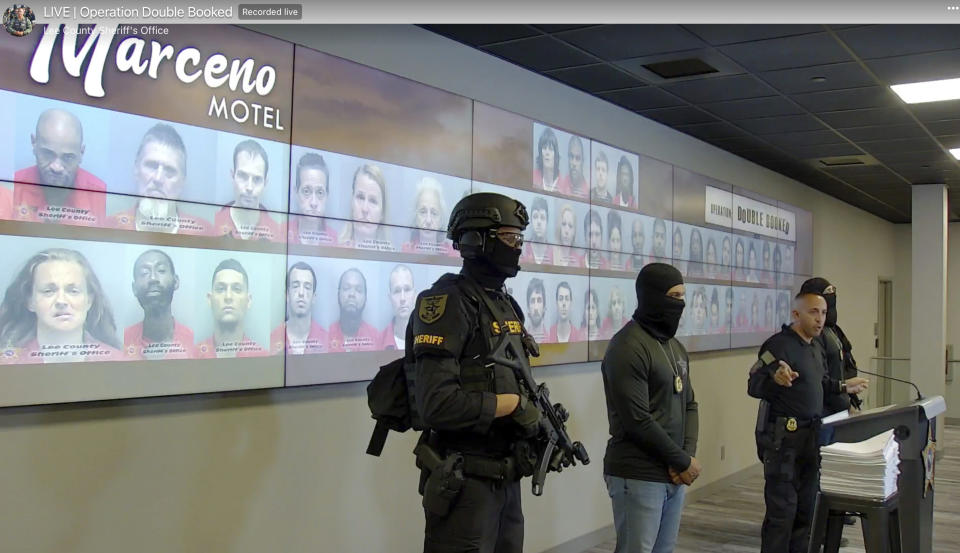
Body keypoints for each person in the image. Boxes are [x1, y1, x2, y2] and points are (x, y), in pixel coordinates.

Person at [409, 191, 537, 553]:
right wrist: (510, 405)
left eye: (520, 240)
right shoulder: (446, 303)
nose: (517, 248)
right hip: (464, 485)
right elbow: (437, 404)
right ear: (475, 240)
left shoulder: (504, 304)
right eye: (510, 239)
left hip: (506, 481)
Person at [748, 291, 868, 553]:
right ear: (796, 314)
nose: (820, 319)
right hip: (784, 443)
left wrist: (844, 386)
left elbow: (820, 383)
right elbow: (754, 384)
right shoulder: (777, 345)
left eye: (823, 313)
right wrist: (775, 380)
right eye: (813, 312)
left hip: (810, 439)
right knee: (782, 514)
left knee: (806, 512)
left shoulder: (817, 345)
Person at [601, 263, 699, 553]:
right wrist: (681, 461)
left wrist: (686, 457)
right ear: (652, 296)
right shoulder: (627, 346)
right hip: (638, 472)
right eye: (673, 296)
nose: (679, 304)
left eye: (682, 296)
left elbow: (690, 404)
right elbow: (637, 420)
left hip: (673, 473)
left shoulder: (674, 347)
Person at [0, 248, 121, 363]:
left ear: (89, 301)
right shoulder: (6, 363)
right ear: (30, 302)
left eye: (73, 291)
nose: (61, 301)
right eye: (48, 291)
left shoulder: (118, 361)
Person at [110, 123, 212, 235]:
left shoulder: (205, 232)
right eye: (151, 165)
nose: (158, 179)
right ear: (136, 169)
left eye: (169, 170)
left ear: (182, 182)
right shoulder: (110, 225)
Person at [14, 109, 107, 227]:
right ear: (34, 143)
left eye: (68, 158)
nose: (56, 167)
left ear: (81, 154)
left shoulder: (100, 194)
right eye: (48, 154)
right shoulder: (12, 187)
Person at [799, 278, 862, 413]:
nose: (819, 318)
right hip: (823, 412)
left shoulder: (834, 331)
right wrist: (847, 407)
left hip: (840, 407)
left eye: (823, 312)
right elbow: (820, 380)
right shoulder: (812, 336)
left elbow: (844, 366)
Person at [124, 249, 194, 360]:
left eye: (161, 270)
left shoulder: (193, 340)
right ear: (134, 288)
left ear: (175, 282)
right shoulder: (124, 340)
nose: (153, 278)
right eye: (144, 273)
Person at [196, 259, 267, 358]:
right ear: (210, 299)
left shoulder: (263, 357)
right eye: (221, 289)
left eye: (237, 289)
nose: (228, 297)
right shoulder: (193, 355)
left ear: (248, 301)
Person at [214, 140, 283, 241]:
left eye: (257, 179)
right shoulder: (214, 224)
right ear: (233, 177)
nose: (249, 187)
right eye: (243, 176)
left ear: (265, 183)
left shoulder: (277, 233)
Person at [270, 262, 328, 356]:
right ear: (287, 295)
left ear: (314, 297)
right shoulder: (273, 339)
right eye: (296, 286)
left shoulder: (326, 340)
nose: (301, 293)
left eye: (307, 287)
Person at [338, 164, 392, 251]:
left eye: (373, 201)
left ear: (382, 213)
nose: (365, 209)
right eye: (360, 197)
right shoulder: (335, 251)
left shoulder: (392, 259)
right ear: (352, 202)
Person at [288, 152, 338, 246]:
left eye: (320, 192)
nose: (314, 203)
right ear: (296, 193)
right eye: (306, 191)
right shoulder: (282, 232)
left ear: (327, 195)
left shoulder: (335, 240)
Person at [328, 268, 380, 352]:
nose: (352, 294)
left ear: (365, 298)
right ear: (338, 294)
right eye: (346, 288)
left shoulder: (376, 337)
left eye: (359, 290)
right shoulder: (326, 335)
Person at [403, 178, 454, 256]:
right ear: (416, 217)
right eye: (423, 212)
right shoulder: (406, 251)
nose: (428, 220)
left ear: (441, 220)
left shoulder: (453, 254)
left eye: (434, 213)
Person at [380, 264, 415, 350]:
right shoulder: (379, 341)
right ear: (390, 298)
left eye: (407, 289)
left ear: (414, 295)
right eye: (397, 291)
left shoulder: (428, 338)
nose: (402, 298)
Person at [521, 196, 553, 265]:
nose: (539, 222)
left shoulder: (553, 252)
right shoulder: (523, 250)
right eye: (535, 217)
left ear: (547, 221)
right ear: (531, 221)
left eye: (542, 217)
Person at [533, 127, 561, 192]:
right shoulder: (534, 177)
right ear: (540, 152)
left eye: (551, 149)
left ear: (555, 154)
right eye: (544, 148)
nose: (547, 153)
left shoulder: (562, 183)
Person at [525, 277, 548, 343]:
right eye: (532, 301)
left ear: (544, 307)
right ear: (528, 309)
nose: (536, 307)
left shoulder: (551, 337)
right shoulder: (521, 339)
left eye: (539, 300)